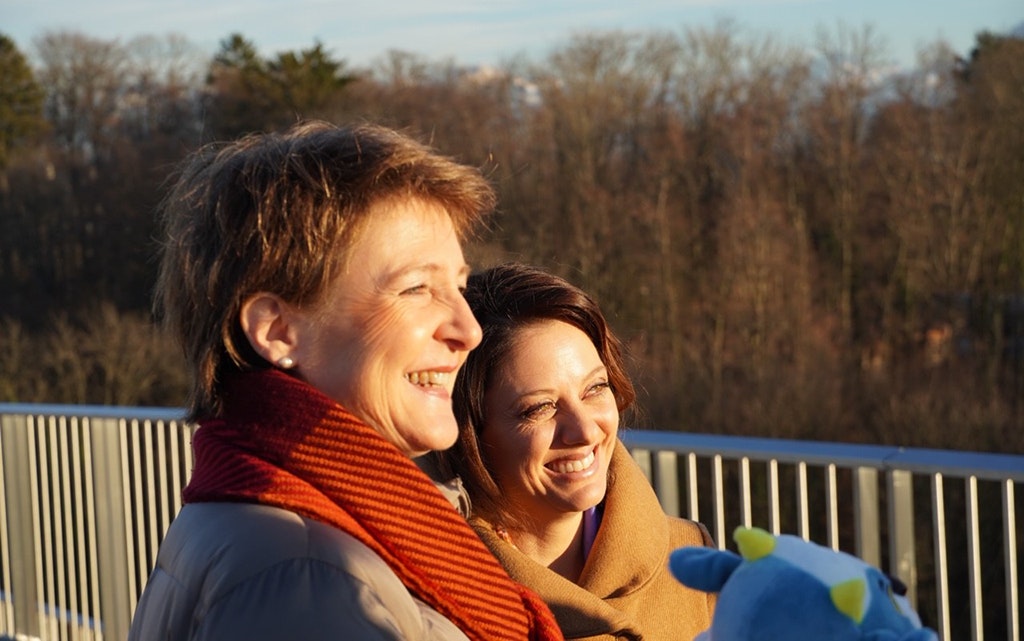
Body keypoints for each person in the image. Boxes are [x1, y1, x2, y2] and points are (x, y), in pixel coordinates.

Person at [127, 122, 562, 641]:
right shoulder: (307, 577)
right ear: (278, 330)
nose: (468, 329)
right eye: (417, 288)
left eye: (460, 286)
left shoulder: (269, 514)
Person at [439, 263, 716, 640]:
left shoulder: (690, 561)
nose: (585, 430)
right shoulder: (437, 591)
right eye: (539, 408)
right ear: (470, 432)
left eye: (595, 389)